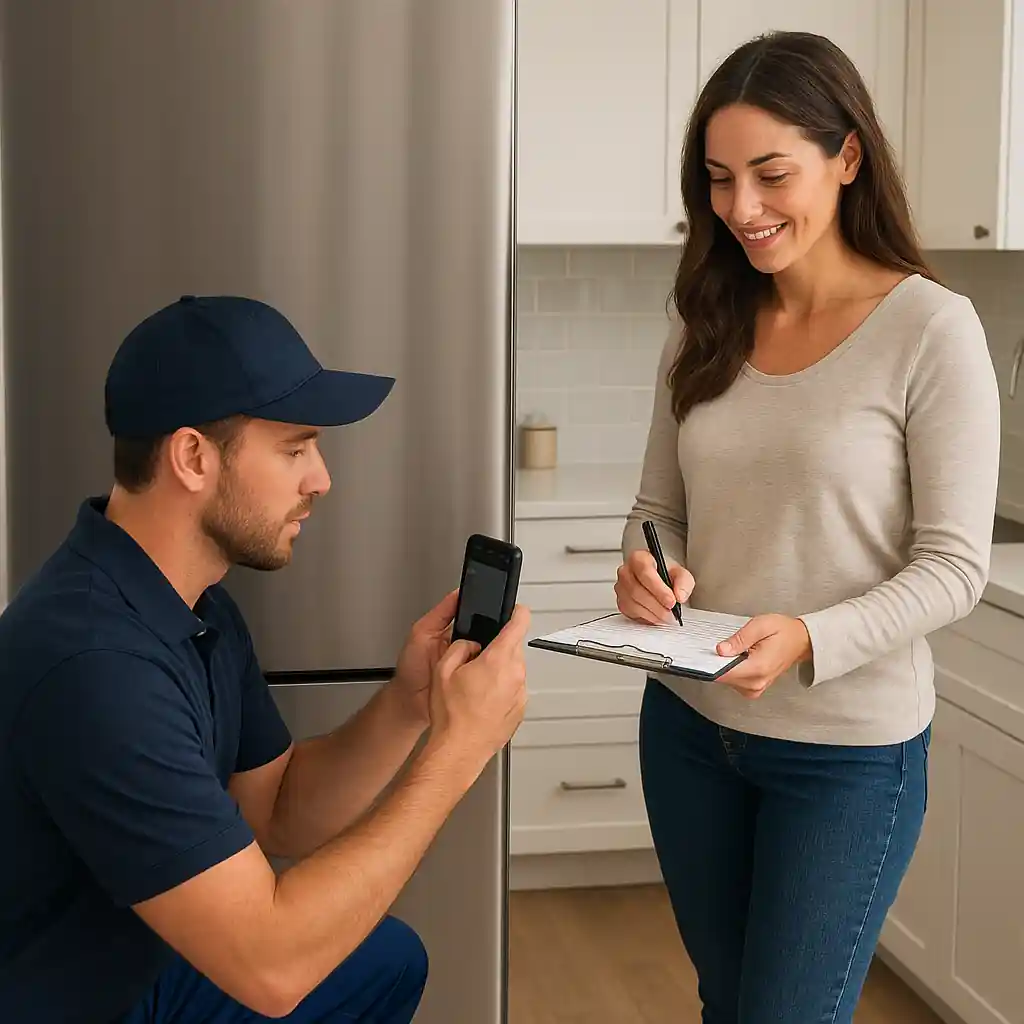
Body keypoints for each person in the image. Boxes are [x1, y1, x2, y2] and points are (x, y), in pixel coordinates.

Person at [0, 295, 530, 1024]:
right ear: (193, 457)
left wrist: (411, 704)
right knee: (299, 965)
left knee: (384, 960)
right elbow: (271, 967)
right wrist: (460, 751)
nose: (321, 479)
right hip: (70, 1003)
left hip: (138, 971)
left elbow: (273, 811)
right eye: (294, 448)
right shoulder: (96, 667)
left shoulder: (193, 603)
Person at [615, 31, 1000, 1024]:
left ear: (847, 157)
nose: (740, 207)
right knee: (726, 1004)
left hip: (846, 755)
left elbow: (955, 566)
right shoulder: (702, 317)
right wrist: (646, 570)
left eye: (769, 173)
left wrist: (807, 637)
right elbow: (660, 509)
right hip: (690, 730)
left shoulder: (930, 329)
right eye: (717, 178)